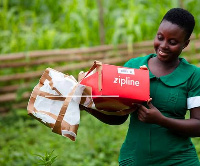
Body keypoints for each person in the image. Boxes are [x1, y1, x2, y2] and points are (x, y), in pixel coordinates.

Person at [80, 8, 200, 165]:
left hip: (179, 160)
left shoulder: (193, 75)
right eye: (160, 37)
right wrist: (87, 105)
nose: (163, 45)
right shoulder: (133, 67)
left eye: (172, 42)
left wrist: (162, 120)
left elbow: (198, 125)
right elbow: (118, 118)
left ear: (185, 44)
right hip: (137, 159)